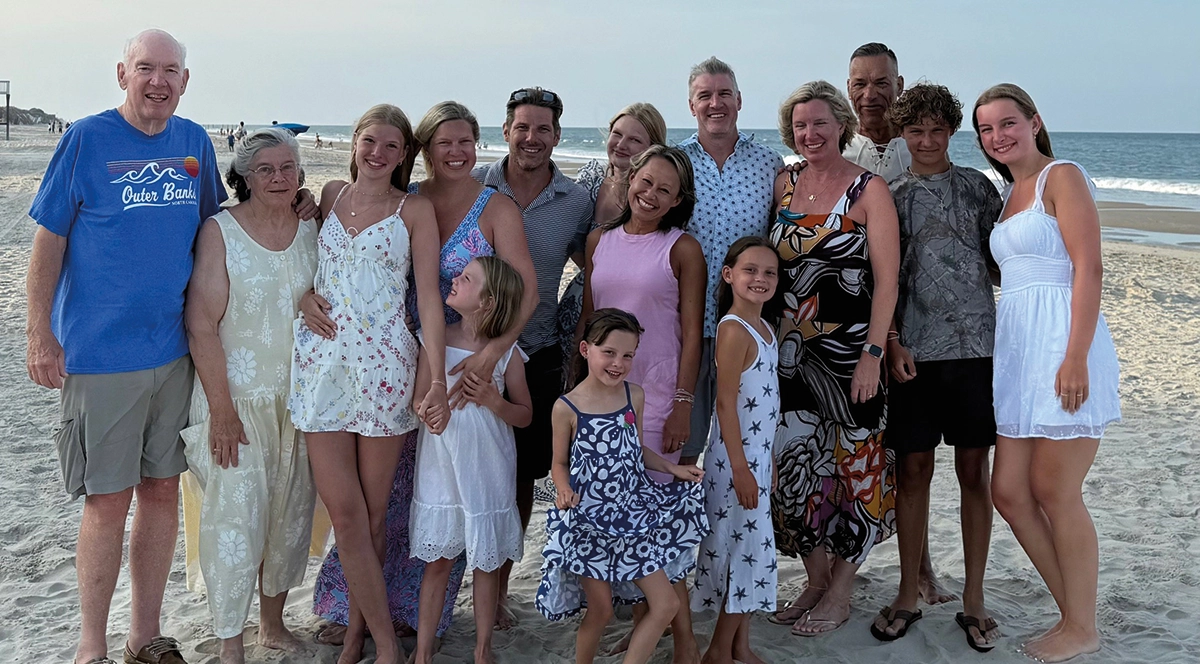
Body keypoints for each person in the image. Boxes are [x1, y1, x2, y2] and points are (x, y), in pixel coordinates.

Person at [25, 29, 226, 664]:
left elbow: (219, 229)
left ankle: (145, 633)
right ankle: (91, 644)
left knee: (162, 492)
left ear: (185, 81)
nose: (158, 81)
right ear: (123, 74)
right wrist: (39, 332)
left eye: (170, 70)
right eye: (146, 68)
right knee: (108, 501)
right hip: (101, 357)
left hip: (173, 354)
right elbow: (48, 241)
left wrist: (300, 204)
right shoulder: (84, 138)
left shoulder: (194, 143)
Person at [306, 100, 539, 643]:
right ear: (425, 150)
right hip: (388, 356)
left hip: (458, 359)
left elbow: (524, 288)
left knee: (437, 492)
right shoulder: (409, 199)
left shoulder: (495, 208)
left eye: (465, 142)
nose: (456, 152)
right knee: (384, 497)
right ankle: (354, 610)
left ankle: (416, 613)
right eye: (444, 142)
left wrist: (489, 355)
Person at [289, 103, 449, 664]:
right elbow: (298, 258)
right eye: (369, 142)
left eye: (390, 146)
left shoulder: (415, 210)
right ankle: (386, 644)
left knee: (376, 516)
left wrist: (436, 377)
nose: (377, 154)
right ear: (354, 143)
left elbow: (427, 294)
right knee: (346, 513)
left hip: (385, 369)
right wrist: (304, 296)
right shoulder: (329, 195)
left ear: (404, 154)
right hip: (321, 367)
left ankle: (358, 633)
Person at [974, 83, 1120, 663]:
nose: (997, 136)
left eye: (1007, 123)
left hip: (1064, 346)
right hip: (1017, 355)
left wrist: (1076, 355)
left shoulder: (1063, 175)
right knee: (1009, 491)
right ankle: (1074, 611)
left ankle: (1081, 626)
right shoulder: (1009, 193)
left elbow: (1090, 268)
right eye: (986, 129)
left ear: (1034, 122)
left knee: (1056, 491)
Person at [868, 84, 1004, 649]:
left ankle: (973, 598)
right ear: (902, 133)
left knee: (974, 472)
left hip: (976, 350)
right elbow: (886, 279)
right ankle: (908, 592)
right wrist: (893, 342)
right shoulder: (891, 194)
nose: (926, 141)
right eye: (915, 131)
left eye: (937, 130)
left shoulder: (977, 188)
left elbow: (1004, 264)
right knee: (914, 470)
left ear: (952, 131)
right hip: (914, 355)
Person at [179, 128, 320, 664]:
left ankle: (272, 623)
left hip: (301, 402)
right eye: (266, 169)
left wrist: (307, 296)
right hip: (235, 401)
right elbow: (201, 325)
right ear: (244, 176)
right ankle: (230, 642)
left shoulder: (313, 225)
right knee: (234, 521)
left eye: (288, 167)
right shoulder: (220, 232)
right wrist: (221, 413)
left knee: (288, 516)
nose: (280, 178)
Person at [768, 80, 900, 636]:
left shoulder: (869, 191)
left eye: (820, 122)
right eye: (800, 125)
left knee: (856, 469)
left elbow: (889, 280)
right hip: (789, 355)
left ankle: (843, 588)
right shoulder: (784, 182)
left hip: (850, 354)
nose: (810, 133)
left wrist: (873, 352)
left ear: (841, 125)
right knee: (794, 468)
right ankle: (815, 579)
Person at [472, 87, 593, 628]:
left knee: (520, 476)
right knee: (466, 472)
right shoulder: (473, 183)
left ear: (557, 136)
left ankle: (496, 591)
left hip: (536, 348)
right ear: (506, 131)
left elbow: (596, 268)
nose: (532, 138)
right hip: (466, 352)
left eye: (543, 129)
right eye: (523, 127)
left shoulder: (576, 201)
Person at [580, 144, 706, 661]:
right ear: (630, 179)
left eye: (664, 190)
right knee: (619, 520)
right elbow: (588, 327)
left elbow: (693, 334)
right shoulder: (598, 241)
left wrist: (682, 404)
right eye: (645, 182)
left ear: (678, 200)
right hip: (603, 398)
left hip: (657, 397)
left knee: (655, 527)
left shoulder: (682, 248)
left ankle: (684, 646)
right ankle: (642, 630)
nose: (650, 195)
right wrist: (577, 398)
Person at [537, 308, 708, 664]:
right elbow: (558, 463)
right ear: (586, 350)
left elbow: (637, 450)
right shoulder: (566, 407)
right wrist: (562, 488)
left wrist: (672, 470)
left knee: (666, 603)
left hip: (634, 516)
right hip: (590, 522)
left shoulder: (635, 396)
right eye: (609, 353)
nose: (618, 363)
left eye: (628, 355)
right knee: (600, 612)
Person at [410, 256, 532, 664]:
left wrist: (494, 401)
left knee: (485, 561)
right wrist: (426, 408)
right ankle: (423, 651)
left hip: (488, 466)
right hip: (441, 464)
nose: (456, 280)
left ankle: (483, 650)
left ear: (489, 302)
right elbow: (417, 398)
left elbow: (525, 414)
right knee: (439, 562)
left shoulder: (508, 352)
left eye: (467, 279)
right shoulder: (433, 338)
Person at [678, 57, 783, 472]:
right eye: (705, 95)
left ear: (739, 100)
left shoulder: (769, 164)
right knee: (684, 443)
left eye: (724, 94)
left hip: (747, 328)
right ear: (692, 106)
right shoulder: (675, 162)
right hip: (684, 327)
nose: (715, 103)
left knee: (746, 443)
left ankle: (735, 536)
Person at [690, 237, 781, 664]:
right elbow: (724, 404)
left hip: (757, 458)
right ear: (729, 275)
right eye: (750, 270)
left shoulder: (765, 328)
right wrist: (743, 469)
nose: (760, 279)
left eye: (769, 272)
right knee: (742, 551)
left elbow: (767, 404)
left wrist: (769, 461)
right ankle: (717, 652)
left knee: (753, 546)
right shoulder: (732, 329)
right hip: (733, 463)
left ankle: (739, 644)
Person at [558, 102, 668, 383]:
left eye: (634, 139)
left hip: (634, 304)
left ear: (652, 147)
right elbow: (572, 238)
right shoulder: (590, 178)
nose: (621, 144)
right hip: (582, 301)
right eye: (617, 134)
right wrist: (597, 272)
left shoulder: (652, 195)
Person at [843, 43, 911, 183]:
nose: (869, 95)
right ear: (849, 89)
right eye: (860, 84)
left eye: (881, 83)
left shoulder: (920, 147)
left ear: (899, 86)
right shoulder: (836, 150)